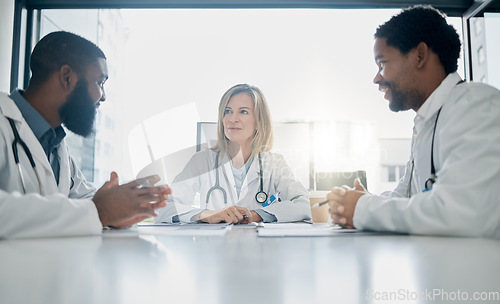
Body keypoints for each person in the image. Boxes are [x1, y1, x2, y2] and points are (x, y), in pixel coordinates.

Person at [328, 5, 500, 238]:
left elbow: (461, 214)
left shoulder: (476, 105)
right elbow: (406, 197)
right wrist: (359, 201)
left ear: (419, 55)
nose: (376, 78)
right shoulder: (429, 120)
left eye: (383, 63)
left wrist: (362, 208)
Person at [0, 31, 171, 239]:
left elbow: (84, 199)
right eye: (100, 82)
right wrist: (100, 212)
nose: (104, 96)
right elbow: (92, 210)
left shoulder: (55, 144)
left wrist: (124, 204)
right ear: (67, 77)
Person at [156, 84, 310, 224]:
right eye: (227, 111)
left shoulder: (274, 163)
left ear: (259, 121)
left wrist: (256, 215)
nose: (232, 119)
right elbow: (163, 207)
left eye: (243, 112)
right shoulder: (202, 161)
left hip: (260, 248)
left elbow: (304, 204)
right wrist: (206, 215)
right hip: (214, 249)